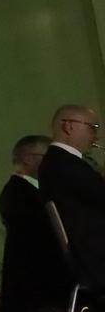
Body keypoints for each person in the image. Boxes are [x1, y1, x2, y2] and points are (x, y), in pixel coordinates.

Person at [0, 134, 59, 312]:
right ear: (28, 158)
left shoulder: (25, 192)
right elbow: (41, 239)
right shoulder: (19, 193)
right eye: (48, 157)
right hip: (36, 284)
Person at [37, 104, 105, 294]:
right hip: (94, 257)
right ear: (68, 126)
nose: (96, 136)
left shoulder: (58, 162)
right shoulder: (65, 164)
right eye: (93, 127)